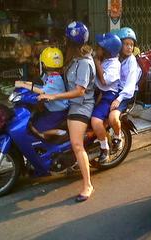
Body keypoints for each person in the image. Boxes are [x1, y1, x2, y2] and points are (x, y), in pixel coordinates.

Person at [38, 21, 96, 202]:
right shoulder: (73, 58)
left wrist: (54, 97)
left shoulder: (84, 63)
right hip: (69, 102)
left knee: (77, 144)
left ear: (71, 43)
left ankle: (88, 185)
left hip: (81, 104)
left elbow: (80, 91)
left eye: (66, 40)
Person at [15, 47, 69, 137]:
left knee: (36, 128)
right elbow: (41, 85)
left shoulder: (54, 79)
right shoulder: (53, 76)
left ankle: (58, 132)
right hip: (54, 109)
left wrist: (24, 85)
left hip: (56, 112)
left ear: (43, 65)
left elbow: (42, 90)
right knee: (36, 120)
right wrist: (24, 83)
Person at [109, 27, 141, 152]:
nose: (129, 47)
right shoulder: (116, 58)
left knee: (112, 117)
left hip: (126, 94)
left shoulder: (131, 61)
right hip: (115, 91)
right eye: (126, 44)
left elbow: (130, 85)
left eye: (131, 45)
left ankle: (118, 137)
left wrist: (119, 99)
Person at [91, 32, 122, 163]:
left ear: (107, 52)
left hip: (108, 96)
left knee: (95, 120)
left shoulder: (115, 65)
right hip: (97, 93)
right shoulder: (105, 60)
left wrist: (97, 62)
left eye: (99, 48)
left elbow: (104, 81)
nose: (97, 49)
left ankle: (105, 149)